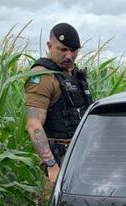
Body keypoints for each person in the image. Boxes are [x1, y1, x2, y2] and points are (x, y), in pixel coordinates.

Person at [24, 23, 93, 195]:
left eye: (74, 50)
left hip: (81, 157)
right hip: (59, 160)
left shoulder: (73, 74)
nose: (69, 56)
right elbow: (33, 124)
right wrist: (51, 166)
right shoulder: (42, 77)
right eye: (63, 50)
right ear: (49, 46)